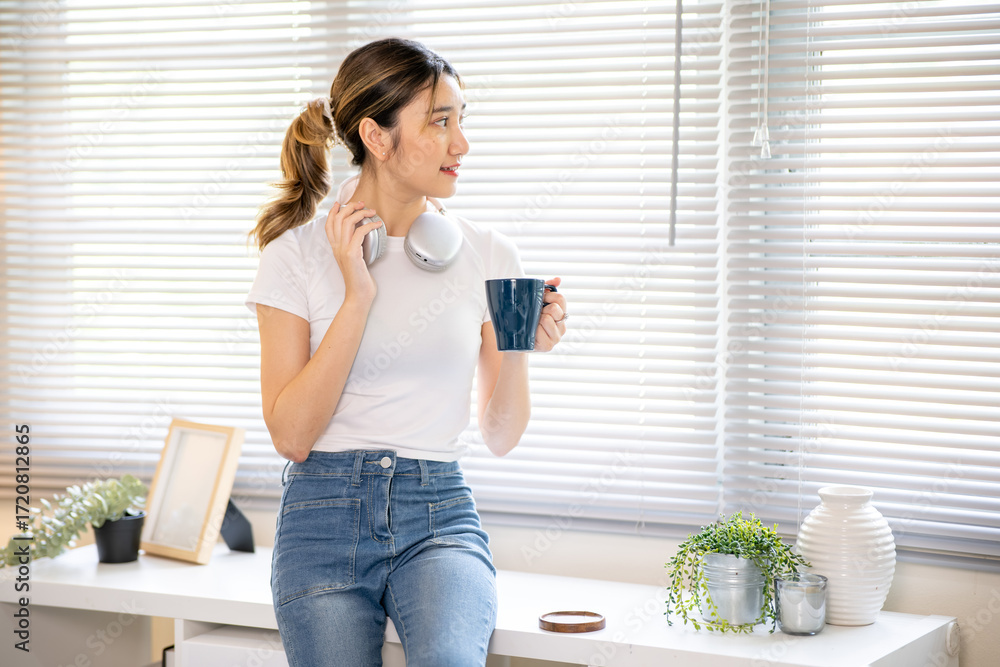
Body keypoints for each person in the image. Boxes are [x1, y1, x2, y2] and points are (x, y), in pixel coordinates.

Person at [245, 38, 567, 666]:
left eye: (461, 121)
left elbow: (501, 436)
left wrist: (519, 346)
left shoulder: (488, 253)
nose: (461, 144)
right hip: (321, 516)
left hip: (438, 512)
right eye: (439, 122)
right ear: (376, 136)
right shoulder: (295, 257)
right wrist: (357, 296)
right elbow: (292, 436)